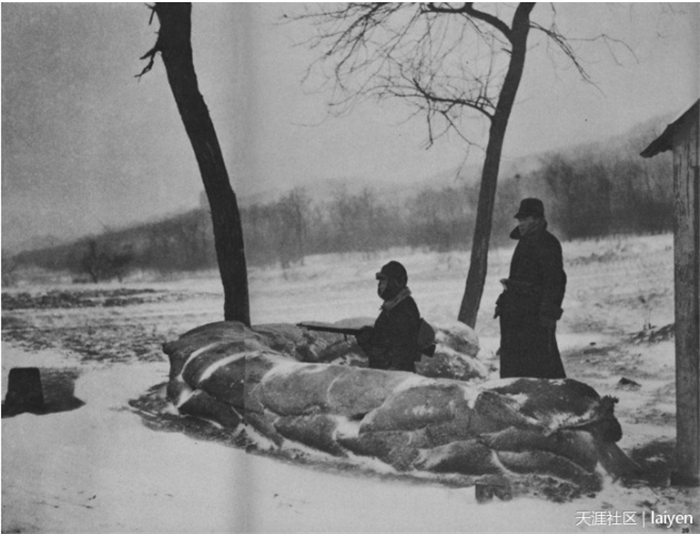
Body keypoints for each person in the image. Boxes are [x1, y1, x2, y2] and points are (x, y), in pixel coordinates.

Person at [495, 198, 567, 379]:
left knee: (541, 369)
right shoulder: (525, 241)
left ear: (537, 219)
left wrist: (549, 314)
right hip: (518, 316)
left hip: (534, 316)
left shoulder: (547, 243)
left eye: (524, 219)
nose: (520, 223)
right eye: (519, 219)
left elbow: (555, 281)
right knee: (518, 370)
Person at [357, 261, 423, 372]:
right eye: (380, 282)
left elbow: (394, 352)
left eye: (384, 281)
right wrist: (371, 335)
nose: (380, 285)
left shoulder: (404, 309)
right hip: (391, 375)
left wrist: (367, 343)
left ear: (396, 282)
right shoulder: (393, 307)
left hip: (395, 375)